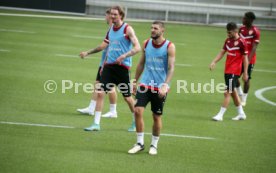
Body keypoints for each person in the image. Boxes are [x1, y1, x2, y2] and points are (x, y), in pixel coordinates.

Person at [81, 6, 141, 131]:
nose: (112, 16)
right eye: (111, 14)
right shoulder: (111, 30)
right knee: (100, 92)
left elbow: (137, 48)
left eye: (115, 14)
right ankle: (96, 124)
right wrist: (89, 53)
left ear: (121, 15)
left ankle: (136, 121)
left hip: (122, 68)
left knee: (127, 98)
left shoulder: (127, 29)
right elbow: (104, 47)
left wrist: (124, 56)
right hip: (109, 66)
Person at [128, 21, 175, 155]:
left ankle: (154, 145)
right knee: (137, 111)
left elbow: (171, 68)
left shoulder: (169, 46)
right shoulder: (146, 43)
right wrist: (134, 81)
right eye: (151, 28)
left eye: (155, 28)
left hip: (160, 87)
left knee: (156, 116)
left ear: (162, 31)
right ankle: (139, 143)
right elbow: (141, 63)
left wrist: (165, 85)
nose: (152, 30)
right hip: (145, 84)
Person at [77, 8, 118, 118]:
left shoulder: (113, 30)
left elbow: (102, 46)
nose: (105, 18)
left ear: (110, 16)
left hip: (108, 63)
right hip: (105, 62)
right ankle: (91, 108)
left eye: (106, 15)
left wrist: (87, 53)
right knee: (98, 84)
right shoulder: (111, 29)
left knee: (109, 86)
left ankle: (113, 111)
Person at [209, 22, 248, 121]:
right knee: (233, 92)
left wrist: (245, 73)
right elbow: (222, 52)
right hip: (227, 70)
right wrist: (214, 61)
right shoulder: (228, 41)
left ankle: (220, 115)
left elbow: (245, 59)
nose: (228, 34)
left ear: (235, 31)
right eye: (227, 32)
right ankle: (241, 113)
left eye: (229, 32)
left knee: (227, 93)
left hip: (235, 71)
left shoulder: (242, 43)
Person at [236, 11, 260, 106]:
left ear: (250, 20)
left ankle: (244, 99)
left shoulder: (255, 31)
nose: (243, 19)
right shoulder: (241, 29)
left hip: (250, 59)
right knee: (234, 77)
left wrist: (248, 61)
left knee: (246, 79)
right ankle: (240, 92)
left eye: (245, 18)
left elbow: (254, 47)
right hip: (239, 58)